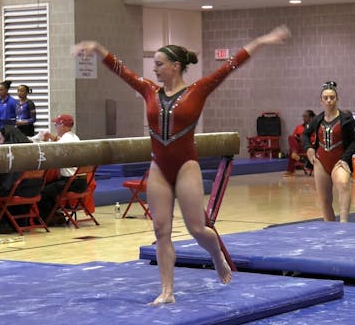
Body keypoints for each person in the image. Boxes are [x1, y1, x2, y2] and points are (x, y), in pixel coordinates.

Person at [72, 25, 290, 305]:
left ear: (175, 66)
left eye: (159, 65)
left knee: (197, 229)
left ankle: (216, 255)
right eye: (154, 66)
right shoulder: (149, 90)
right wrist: (97, 48)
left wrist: (263, 39)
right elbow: (121, 70)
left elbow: (233, 64)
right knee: (161, 230)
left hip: (186, 165)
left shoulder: (199, 90)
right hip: (159, 168)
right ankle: (167, 291)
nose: (155, 70)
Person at [302, 81, 355, 223]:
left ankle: (344, 222)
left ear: (337, 99)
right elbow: (305, 134)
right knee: (324, 199)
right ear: (321, 101)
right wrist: (308, 148)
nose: (329, 101)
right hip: (321, 161)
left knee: (344, 184)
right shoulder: (317, 120)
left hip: (339, 160)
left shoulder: (346, 119)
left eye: (332, 97)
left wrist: (345, 158)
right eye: (326, 98)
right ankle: (329, 227)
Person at [0, 125, 43, 232]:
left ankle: (0, 224)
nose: (0, 142)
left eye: (0, 139)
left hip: (17, 189)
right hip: (34, 188)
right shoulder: (32, 147)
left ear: (7, 138)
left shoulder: (8, 149)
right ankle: (20, 221)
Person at [38, 114, 86, 223]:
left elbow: (49, 153)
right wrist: (51, 137)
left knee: (42, 192)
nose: (55, 127)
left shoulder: (65, 141)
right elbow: (59, 141)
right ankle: (55, 215)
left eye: (56, 125)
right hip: (81, 181)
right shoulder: (74, 137)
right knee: (49, 187)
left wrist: (44, 140)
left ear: (63, 126)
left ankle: (48, 219)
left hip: (72, 183)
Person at [283, 109, 315, 177]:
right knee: (291, 137)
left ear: (311, 117)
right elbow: (293, 138)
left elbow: (316, 138)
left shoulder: (314, 127)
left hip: (309, 146)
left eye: (305, 116)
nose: (303, 118)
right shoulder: (299, 127)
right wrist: (298, 138)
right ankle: (295, 153)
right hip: (299, 146)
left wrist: (304, 139)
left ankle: (290, 171)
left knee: (292, 150)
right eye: (303, 116)